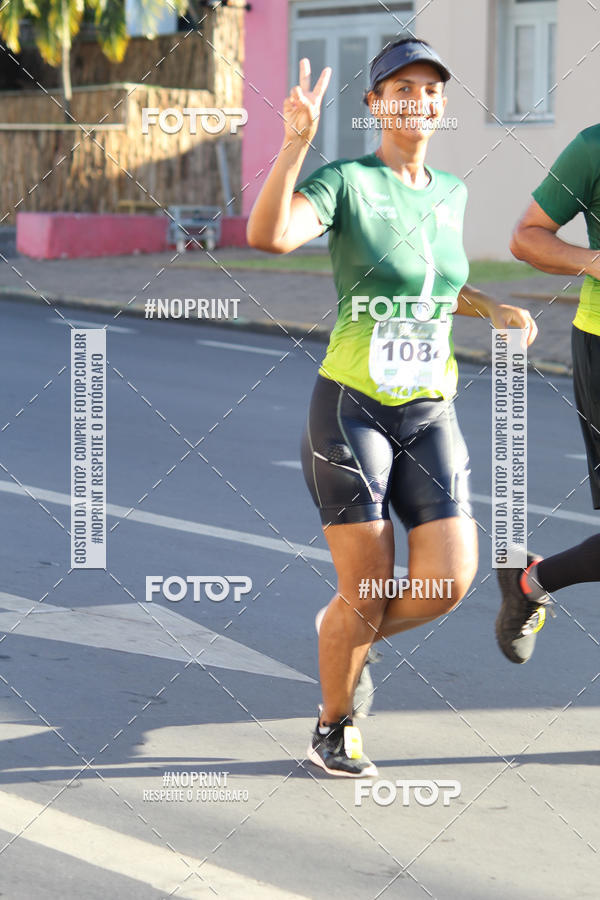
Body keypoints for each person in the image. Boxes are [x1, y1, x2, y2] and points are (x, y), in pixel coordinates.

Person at [247, 38, 537, 777]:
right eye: (400, 88)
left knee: (446, 582)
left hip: (430, 410)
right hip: (353, 409)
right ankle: (333, 725)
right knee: (370, 587)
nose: (418, 99)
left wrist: (492, 306)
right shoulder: (345, 181)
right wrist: (293, 149)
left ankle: (343, 632)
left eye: (430, 89)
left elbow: (433, 286)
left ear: (441, 105)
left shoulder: (451, 190)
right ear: (376, 104)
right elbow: (269, 237)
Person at [496, 125, 600, 664]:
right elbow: (527, 236)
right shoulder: (594, 147)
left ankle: (530, 583)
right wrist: (596, 261)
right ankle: (531, 585)